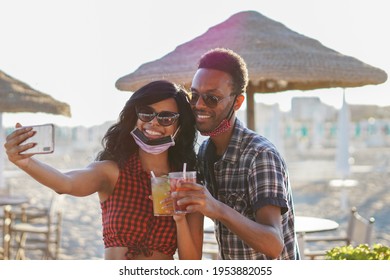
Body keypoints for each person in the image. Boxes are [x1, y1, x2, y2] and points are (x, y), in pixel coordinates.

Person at [4, 80, 204, 260]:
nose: (153, 122)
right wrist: (26, 163)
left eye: (166, 118)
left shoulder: (185, 183)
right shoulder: (113, 172)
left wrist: (179, 218)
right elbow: (65, 183)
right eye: (146, 113)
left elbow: (191, 263)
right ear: (135, 117)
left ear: (180, 126)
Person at [172, 48, 299, 260]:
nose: (199, 105)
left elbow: (273, 244)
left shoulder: (260, 155)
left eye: (212, 98)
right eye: (194, 95)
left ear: (237, 102)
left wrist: (216, 208)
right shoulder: (205, 152)